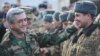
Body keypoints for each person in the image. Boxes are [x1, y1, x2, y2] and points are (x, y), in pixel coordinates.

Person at [1, 7, 78, 56]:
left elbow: (53, 38)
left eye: (25, 20)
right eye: (20, 21)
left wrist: (74, 27)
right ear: (11, 24)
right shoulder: (5, 46)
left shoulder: (31, 35)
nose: (24, 23)